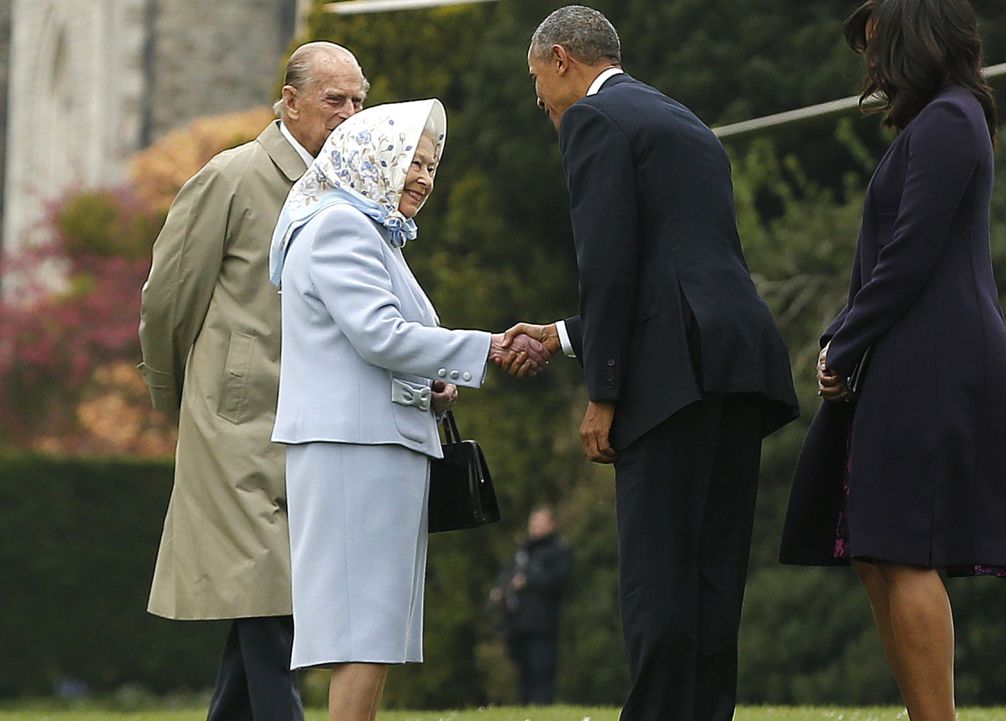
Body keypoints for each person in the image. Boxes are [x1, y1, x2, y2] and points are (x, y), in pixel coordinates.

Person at [504, 7, 800, 721]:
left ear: (564, 58)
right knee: (711, 571)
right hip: (737, 362)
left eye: (538, 80)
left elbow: (609, 268)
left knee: (658, 573)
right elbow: (673, 268)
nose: (539, 100)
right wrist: (565, 335)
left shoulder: (594, 122)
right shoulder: (682, 120)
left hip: (671, 377)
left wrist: (603, 392)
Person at [779, 2, 1006, 720]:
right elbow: (895, 261)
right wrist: (841, 336)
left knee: (905, 551)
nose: (870, 67)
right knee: (878, 551)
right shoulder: (937, 122)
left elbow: (909, 257)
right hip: (906, 356)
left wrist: (842, 344)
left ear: (914, 42)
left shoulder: (949, 119)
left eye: (876, 48)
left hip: (934, 362)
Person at [268, 99, 548, 721]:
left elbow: (371, 351)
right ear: (371, 159)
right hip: (354, 449)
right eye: (411, 162)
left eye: (431, 165)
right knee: (364, 625)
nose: (423, 176)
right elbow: (381, 335)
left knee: (376, 625)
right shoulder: (340, 227)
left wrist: (431, 385)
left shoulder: (371, 231)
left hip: (373, 444)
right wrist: (488, 346)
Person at [138, 41, 368, 721]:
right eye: (336, 99)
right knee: (273, 601)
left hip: (319, 419)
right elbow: (166, 299)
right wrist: (180, 399)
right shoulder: (231, 177)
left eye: (359, 99)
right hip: (239, 424)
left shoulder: (355, 185)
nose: (351, 113)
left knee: (272, 601)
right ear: (289, 101)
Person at [489, 506, 573, 705]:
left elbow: (558, 580)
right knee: (523, 672)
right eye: (533, 523)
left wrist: (529, 581)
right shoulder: (523, 551)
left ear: (552, 525)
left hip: (543, 624)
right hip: (518, 624)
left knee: (542, 670)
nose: (536, 528)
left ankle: (543, 709)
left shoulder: (558, 550)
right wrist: (500, 591)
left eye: (541, 523)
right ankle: (525, 710)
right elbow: (507, 575)